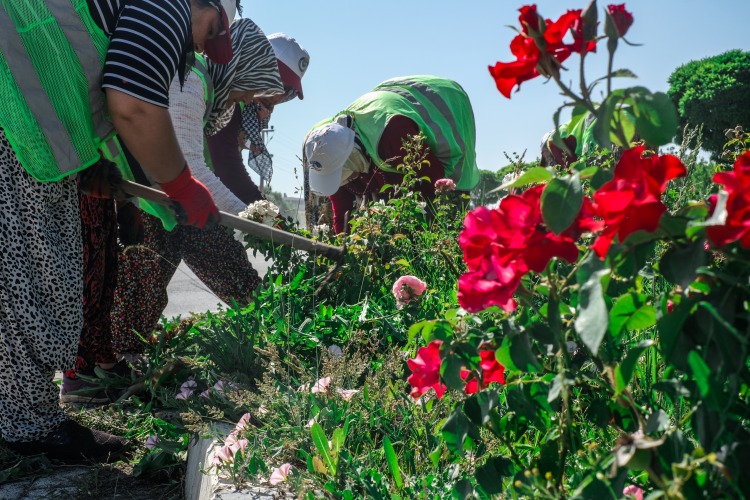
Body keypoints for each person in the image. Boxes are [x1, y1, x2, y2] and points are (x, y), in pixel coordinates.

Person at [0, 0, 231, 462]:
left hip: (19, 119)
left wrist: (102, 167)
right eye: (213, 28)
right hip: (14, 121)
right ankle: (26, 425)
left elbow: (82, 79)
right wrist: (182, 186)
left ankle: (20, 415)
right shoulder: (168, 7)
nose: (202, 46)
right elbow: (132, 106)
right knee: (29, 281)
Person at [107, 25, 309, 356]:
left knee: (212, 261)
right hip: (148, 195)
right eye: (258, 90)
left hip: (168, 197)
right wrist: (258, 218)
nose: (250, 100)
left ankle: (275, 329)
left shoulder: (212, 89)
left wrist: (260, 219)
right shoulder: (192, 78)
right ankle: (110, 362)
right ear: (244, 68)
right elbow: (194, 165)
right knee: (141, 281)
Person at [303, 75, 479, 234]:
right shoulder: (326, 150)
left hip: (447, 103)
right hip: (388, 104)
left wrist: (418, 232)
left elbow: (433, 180)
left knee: (447, 212)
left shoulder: (393, 134)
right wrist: (342, 251)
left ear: (352, 158)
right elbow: (342, 212)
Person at [207, 33, 310, 204]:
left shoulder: (249, 108)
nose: (277, 97)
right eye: (278, 84)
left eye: (288, 92)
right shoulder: (231, 96)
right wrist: (263, 213)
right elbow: (226, 164)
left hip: (205, 194)